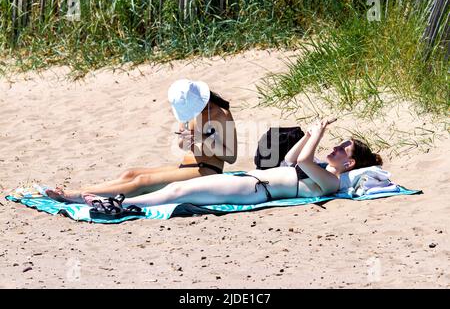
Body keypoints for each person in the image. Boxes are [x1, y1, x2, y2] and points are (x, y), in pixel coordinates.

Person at [83, 118, 383, 208]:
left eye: (343, 148)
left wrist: (317, 136)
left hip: (254, 191)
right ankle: (120, 202)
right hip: (251, 182)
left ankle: (121, 205)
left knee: (180, 193)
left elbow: (303, 161)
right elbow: (291, 159)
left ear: (350, 163)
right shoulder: (318, 167)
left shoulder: (331, 182)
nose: (336, 146)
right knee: (179, 189)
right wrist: (308, 135)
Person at [46, 79, 238, 203]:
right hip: (186, 166)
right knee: (131, 173)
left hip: (207, 171)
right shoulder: (187, 112)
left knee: (142, 181)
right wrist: (184, 140)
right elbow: (182, 146)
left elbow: (231, 157)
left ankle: (79, 195)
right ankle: (84, 190)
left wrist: (202, 139)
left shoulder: (221, 114)